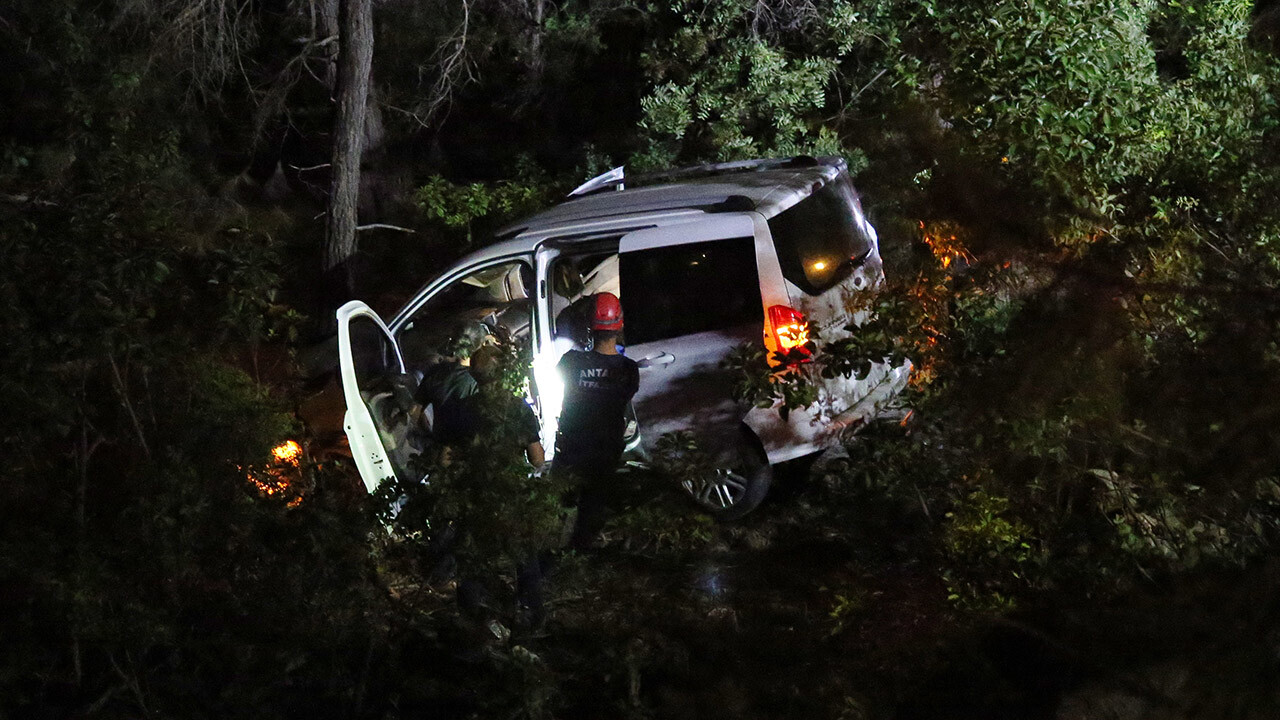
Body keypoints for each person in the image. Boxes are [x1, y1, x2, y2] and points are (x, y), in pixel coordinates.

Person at [445, 344, 548, 627]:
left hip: (474, 493)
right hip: (511, 492)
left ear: (474, 376)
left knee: (469, 555)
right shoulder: (517, 407)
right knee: (524, 556)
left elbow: (445, 459)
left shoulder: (461, 410)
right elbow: (537, 459)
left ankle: (471, 616)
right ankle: (532, 613)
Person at [554, 292, 640, 551]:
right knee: (593, 505)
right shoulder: (629, 370)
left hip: (572, 447)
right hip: (605, 449)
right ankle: (580, 552)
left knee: (560, 503)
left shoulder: (570, 362)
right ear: (621, 325)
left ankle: (556, 552)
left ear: (590, 326)